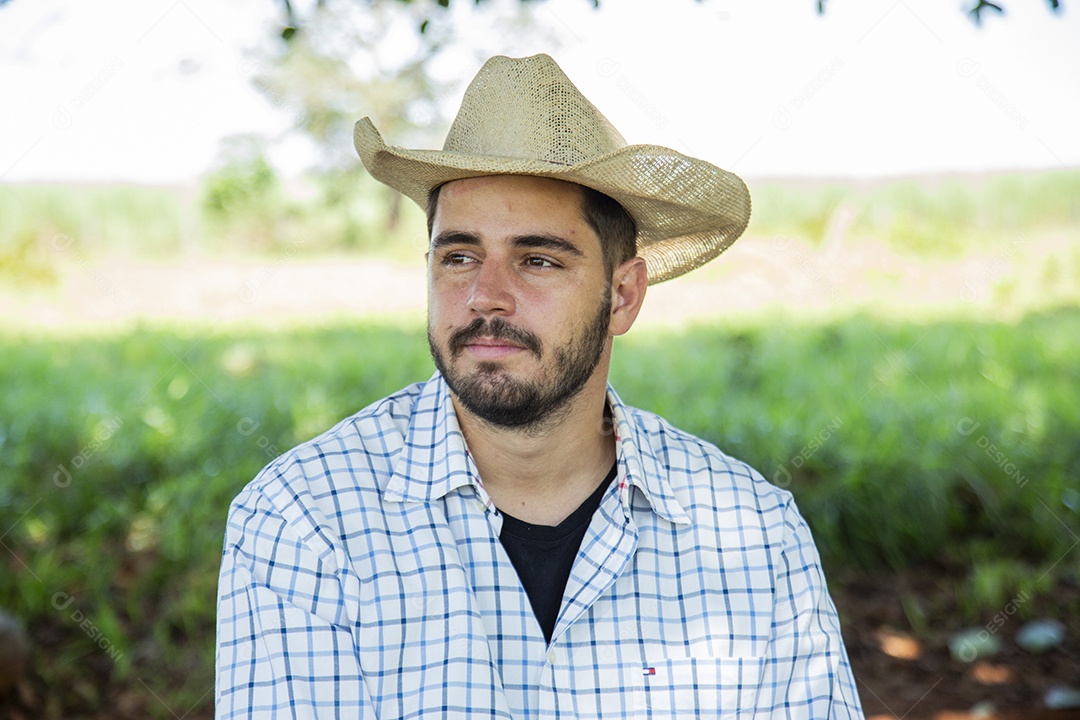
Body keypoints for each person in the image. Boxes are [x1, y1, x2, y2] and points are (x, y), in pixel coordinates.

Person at [216, 53, 864, 719]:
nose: (484, 296)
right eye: (459, 255)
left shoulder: (752, 531)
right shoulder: (305, 522)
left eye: (537, 259)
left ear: (622, 295)